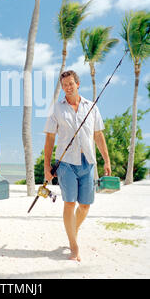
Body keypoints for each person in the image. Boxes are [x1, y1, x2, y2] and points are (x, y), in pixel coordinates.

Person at [44, 70, 111, 262]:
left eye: (71, 84)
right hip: (66, 163)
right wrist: (47, 167)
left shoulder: (91, 107)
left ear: (78, 84)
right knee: (70, 203)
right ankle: (74, 246)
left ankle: (72, 230)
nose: (68, 87)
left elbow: (98, 135)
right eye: (64, 85)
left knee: (85, 206)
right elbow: (49, 137)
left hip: (87, 161)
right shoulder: (57, 109)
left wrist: (106, 160)